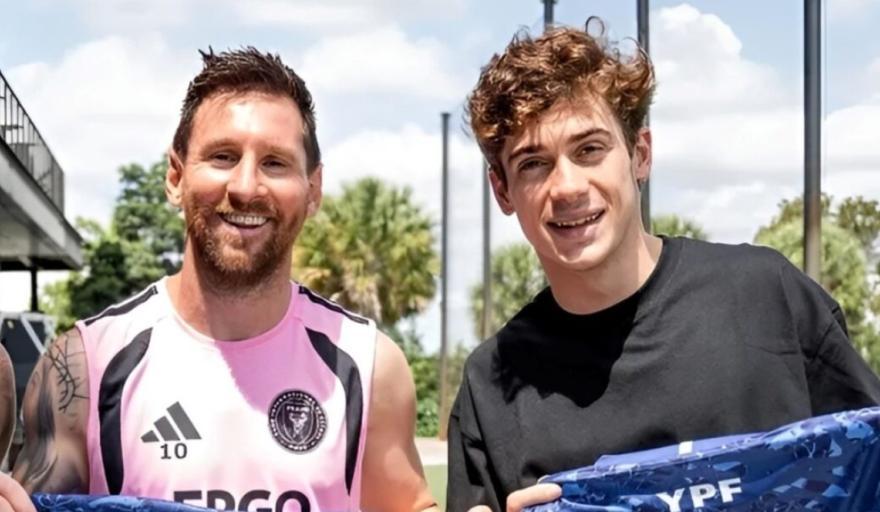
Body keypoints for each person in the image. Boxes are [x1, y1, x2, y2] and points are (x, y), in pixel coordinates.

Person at [447, 25, 880, 512]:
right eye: (533, 164)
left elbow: (870, 470)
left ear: (640, 155)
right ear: (502, 191)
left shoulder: (768, 297)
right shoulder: (490, 384)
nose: (567, 186)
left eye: (590, 149)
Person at [0, 47, 438, 512]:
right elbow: (33, 505)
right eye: (223, 157)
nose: (246, 187)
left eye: (275, 163)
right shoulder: (85, 365)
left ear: (313, 190)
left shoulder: (369, 366)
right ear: (175, 177)